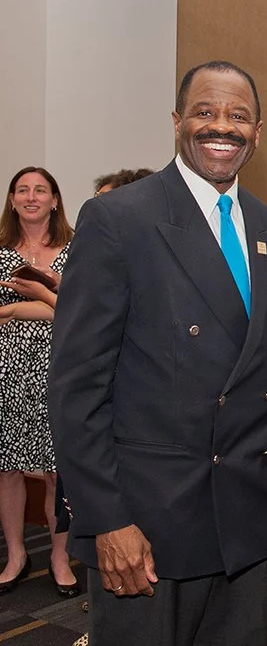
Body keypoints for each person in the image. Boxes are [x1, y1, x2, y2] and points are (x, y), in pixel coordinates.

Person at [47, 61, 267, 645]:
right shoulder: (118, 219)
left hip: (246, 523)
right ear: (178, 121)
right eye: (205, 112)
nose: (221, 127)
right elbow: (77, 388)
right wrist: (106, 519)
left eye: (238, 116)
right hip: (149, 524)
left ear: (258, 133)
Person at [0, 167, 77, 597]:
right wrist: (45, 305)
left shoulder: (78, 246)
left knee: (55, 471)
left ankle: (60, 556)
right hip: (6, 370)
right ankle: (16, 554)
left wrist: (13, 309)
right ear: (12, 201)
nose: (31, 196)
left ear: (54, 200)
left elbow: (85, 310)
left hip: (62, 366)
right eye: (22, 190)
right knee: (6, 468)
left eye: (40, 190)